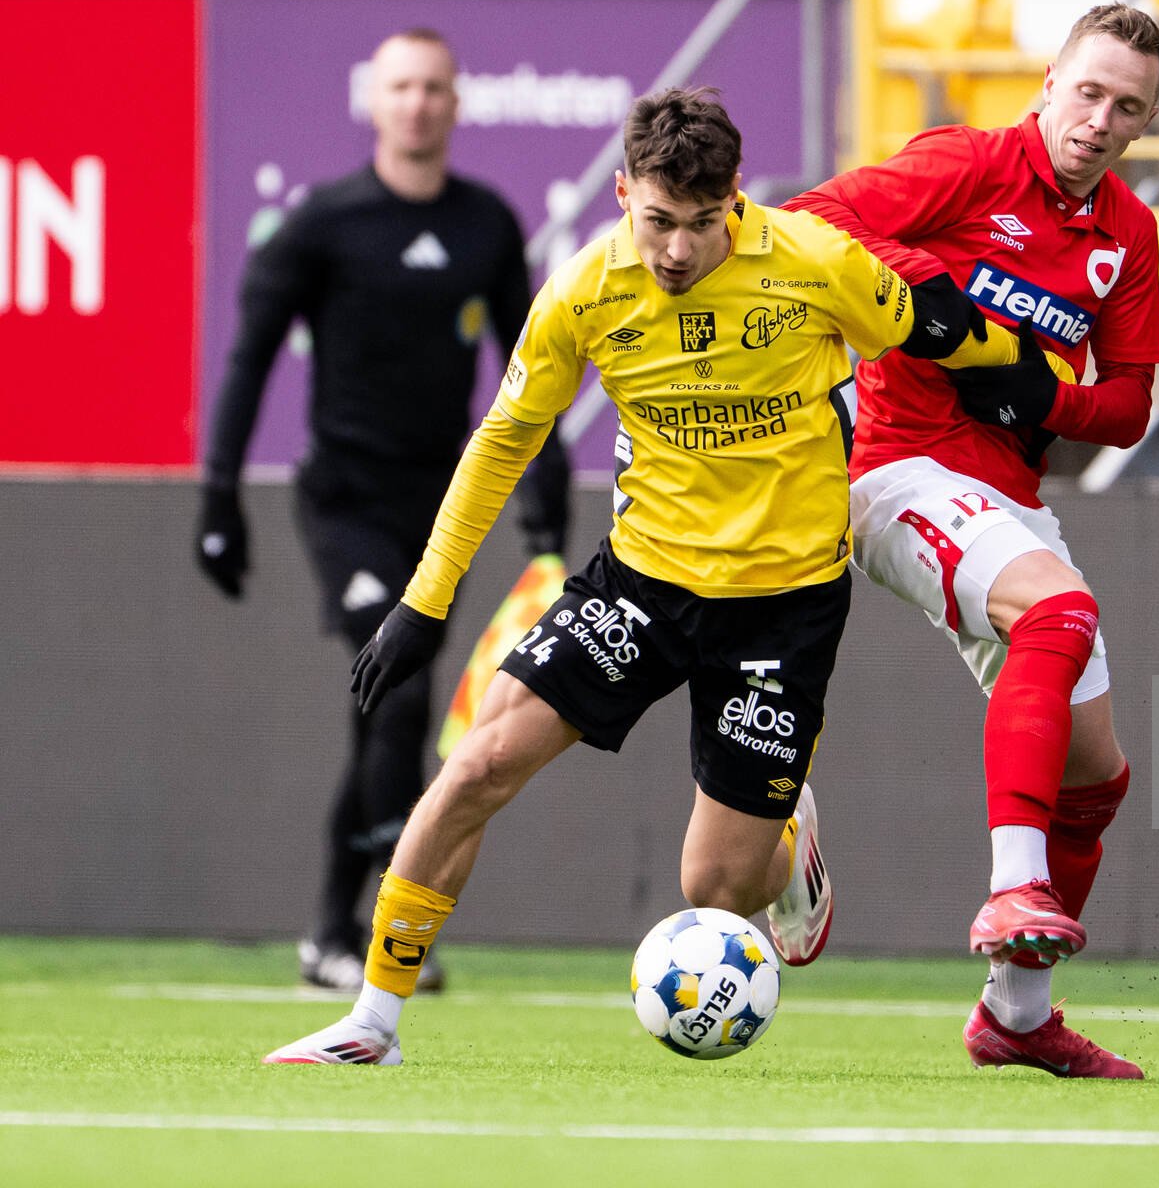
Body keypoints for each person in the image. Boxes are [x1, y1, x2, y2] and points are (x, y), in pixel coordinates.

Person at [262, 86, 1014, 1065]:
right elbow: (501, 442)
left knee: (714, 887)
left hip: (781, 608)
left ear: (736, 199)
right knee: (477, 763)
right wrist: (423, 599)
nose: (676, 250)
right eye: (657, 220)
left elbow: (947, 335)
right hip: (642, 582)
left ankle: (791, 850)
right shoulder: (584, 291)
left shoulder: (816, 264)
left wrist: (1037, 367)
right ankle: (373, 1018)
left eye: (702, 224)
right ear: (622, 193)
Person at [786, 3, 1159, 1080]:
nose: (1098, 120)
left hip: (1010, 501)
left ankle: (1017, 1012)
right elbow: (807, 224)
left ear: (1145, 123)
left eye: (1126, 107)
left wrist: (1042, 386)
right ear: (1048, 81)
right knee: (1060, 610)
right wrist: (934, 300)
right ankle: (1013, 884)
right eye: (1087, 92)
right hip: (895, 468)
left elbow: (1131, 402)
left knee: (1097, 778)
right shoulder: (964, 164)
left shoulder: (1126, 235)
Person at [196, 28, 571, 992]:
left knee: (384, 716)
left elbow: (529, 372)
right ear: (375, 100)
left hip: (435, 508)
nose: (417, 103)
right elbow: (248, 357)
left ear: (456, 103)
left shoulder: (488, 223)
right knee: (396, 692)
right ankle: (372, 934)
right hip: (344, 503)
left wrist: (542, 495)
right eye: (401, 86)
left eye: (435, 88)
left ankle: (335, 928)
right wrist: (219, 497)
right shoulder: (323, 223)